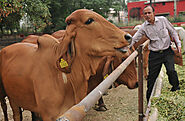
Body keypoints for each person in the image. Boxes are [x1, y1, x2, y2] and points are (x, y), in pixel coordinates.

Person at [130, 5, 181, 103]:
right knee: (152, 77)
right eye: (145, 13)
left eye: (149, 13)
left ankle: (176, 88)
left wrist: (178, 44)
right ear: (143, 16)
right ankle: (149, 99)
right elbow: (135, 38)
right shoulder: (143, 27)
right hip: (155, 54)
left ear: (154, 13)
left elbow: (173, 31)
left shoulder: (163, 20)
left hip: (167, 51)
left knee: (171, 71)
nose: (147, 15)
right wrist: (127, 47)